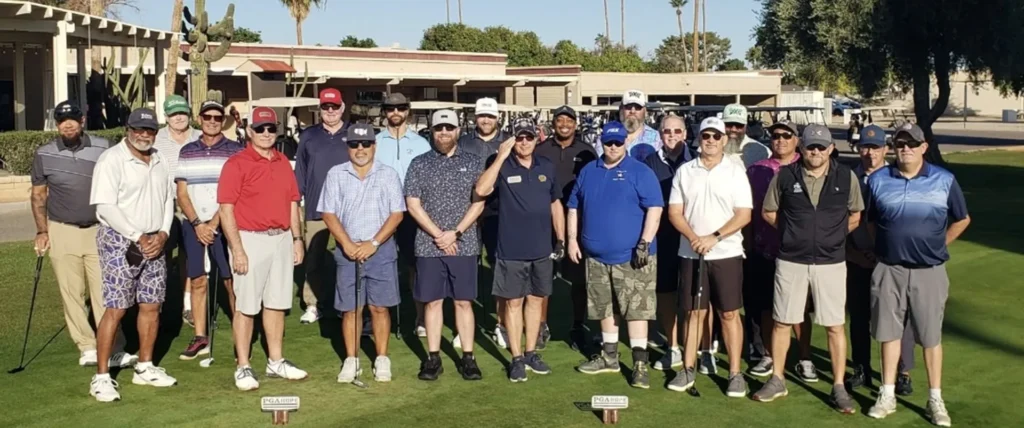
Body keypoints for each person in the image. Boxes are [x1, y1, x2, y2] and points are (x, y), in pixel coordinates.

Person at [751, 124, 864, 413]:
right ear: (802, 148)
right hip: (791, 260)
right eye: (811, 147)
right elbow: (768, 212)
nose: (815, 152)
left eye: (821, 147)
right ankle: (777, 379)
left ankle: (838, 386)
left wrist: (833, 237)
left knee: (835, 325)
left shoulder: (846, 176)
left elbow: (855, 215)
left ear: (831, 149)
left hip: (831, 262)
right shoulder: (785, 175)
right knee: (782, 321)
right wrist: (791, 234)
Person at [865, 123, 970, 427]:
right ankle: (887, 394)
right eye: (900, 143)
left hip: (929, 271)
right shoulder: (878, 180)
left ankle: (935, 399)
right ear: (894, 148)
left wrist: (939, 244)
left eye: (912, 143)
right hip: (889, 269)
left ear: (924, 147)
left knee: (930, 337)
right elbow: (870, 221)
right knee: (888, 333)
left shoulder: (944, 179)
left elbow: (962, 219)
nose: (906, 148)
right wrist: (884, 248)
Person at [30, 100, 136, 369]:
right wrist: (42, 230)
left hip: (100, 229)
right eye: (61, 121)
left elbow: (121, 184)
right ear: (56, 124)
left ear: (82, 121)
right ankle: (87, 346)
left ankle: (113, 346)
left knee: (105, 292)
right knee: (72, 293)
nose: (67, 125)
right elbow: (39, 195)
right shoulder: (44, 154)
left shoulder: (104, 147)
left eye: (72, 119)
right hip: (62, 229)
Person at [88, 108, 177, 402]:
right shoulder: (111, 159)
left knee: (152, 305)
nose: (143, 135)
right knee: (116, 308)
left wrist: (163, 233)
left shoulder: (161, 159)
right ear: (128, 129)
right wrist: (138, 236)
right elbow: (105, 207)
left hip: (155, 240)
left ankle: (145, 367)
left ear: (155, 132)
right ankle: (102, 377)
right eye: (138, 129)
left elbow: (167, 199)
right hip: (119, 240)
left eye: (149, 130)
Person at [219, 106, 309, 391]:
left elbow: (293, 203)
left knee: (277, 303)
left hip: (281, 238)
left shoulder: (282, 162)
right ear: (250, 131)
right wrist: (238, 249)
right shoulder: (236, 164)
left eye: (271, 128)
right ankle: (243, 365)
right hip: (250, 239)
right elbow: (226, 209)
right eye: (260, 129)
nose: (267, 133)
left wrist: (297, 239)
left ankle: (276, 360)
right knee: (246, 306)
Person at [569, 121, 663, 389]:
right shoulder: (589, 170)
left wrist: (644, 242)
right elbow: (573, 207)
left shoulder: (640, 171)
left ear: (625, 143)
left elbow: (655, 208)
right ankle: (609, 357)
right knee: (604, 307)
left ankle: (640, 365)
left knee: (636, 311)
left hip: (633, 256)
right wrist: (572, 240)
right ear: (602, 143)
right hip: (596, 256)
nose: (613, 147)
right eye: (608, 143)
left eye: (618, 142)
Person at [666, 117, 752, 398]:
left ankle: (735, 373)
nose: (711, 141)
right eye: (706, 136)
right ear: (699, 139)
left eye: (716, 136)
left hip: (727, 253)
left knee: (729, 313)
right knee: (694, 312)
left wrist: (713, 237)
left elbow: (744, 214)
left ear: (724, 140)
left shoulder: (735, 171)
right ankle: (687, 368)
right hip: (691, 253)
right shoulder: (685, 171)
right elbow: (675, 212)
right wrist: (694, 238)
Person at [475, 118, 563, 382]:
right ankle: (515, 358)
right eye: (519, 138)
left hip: (541, 249)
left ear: (536, 139)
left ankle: (530, 352)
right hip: (511, 249)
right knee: (513, 303)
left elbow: (555, 204)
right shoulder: (501, 164)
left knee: (535, 301)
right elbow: (481, 190)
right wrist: (501, 156)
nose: (524, 142)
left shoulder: (546, 166)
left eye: (529, 137)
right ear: (512, 140)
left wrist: (561, 238)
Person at [319, 123, 405, 383]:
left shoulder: (388, 174)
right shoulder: (336, 174)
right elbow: (328, 213)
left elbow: (397, 214)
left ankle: (382, 358)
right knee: (351, 309)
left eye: (365, 144)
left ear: (374, 146)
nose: (360, 149)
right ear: (348, 147)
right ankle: (352, 359)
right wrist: (346, 243)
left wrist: (374, 243)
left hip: (381, 249)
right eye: (354, 144)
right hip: (348, 250)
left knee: (379, 307)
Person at [404, 109, 486, 381]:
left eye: (449, 128)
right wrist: (439, 235)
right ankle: (433, 358)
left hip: (464, 243)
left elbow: (479, 202)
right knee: (432, 302)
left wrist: (456, 233)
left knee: (463, 302)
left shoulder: (474, 162)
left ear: (458, 130)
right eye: (439, 128)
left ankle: (468, 357)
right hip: (429, 244)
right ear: (432, 131)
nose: (444, 133)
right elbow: (413, 204)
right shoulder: (419, 163)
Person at [845, 126, 920, 394]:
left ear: (885, 150)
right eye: (865, 147)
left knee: (899, 318)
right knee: (859, 317)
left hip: (891, 261)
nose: (870, 153)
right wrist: (853, 253)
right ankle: (861, 368)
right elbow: (840, 220)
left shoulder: (897, 177)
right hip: (857, 257)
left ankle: (903, 372)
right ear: (858, 149)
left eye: (876, 148)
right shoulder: (847, 178)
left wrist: (882, 255)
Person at [744, 120, 815, 380]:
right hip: (763, 247)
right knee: (765, 306)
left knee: (799, 309)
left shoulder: (807, 167)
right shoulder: (756, 169)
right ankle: (768, 355)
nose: (781, 140)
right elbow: (749, 210)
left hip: (798, 252)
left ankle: (805, 357)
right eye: (776, 135)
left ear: (797, 140)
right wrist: (748, 244)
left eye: (787, 135)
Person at [174, 100, 243, 360]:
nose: (212, 121)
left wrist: (214, 223)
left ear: (223, 120)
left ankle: (241, 335)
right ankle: (200, 337)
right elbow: (182, 193)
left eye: (217, 117)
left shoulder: (235, 150)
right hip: (193, 224)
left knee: (230, 280)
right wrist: (197, 224)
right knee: (197, 279)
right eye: (207, 117)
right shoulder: (187, 150)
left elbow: (236, 192)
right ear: (200, 119)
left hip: (225, 223)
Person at [535, 105, 598, 352]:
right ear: (553, 123)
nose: (564, 124)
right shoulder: (541, 149)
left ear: (575, 124)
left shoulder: (587, 151)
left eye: (569, 120)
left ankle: (578, 325)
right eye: (560, 120)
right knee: (542, 277)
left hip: (576, 222)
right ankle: (541, 325)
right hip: (544, 222)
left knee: (578, 279)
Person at [375, 92, 433, 338]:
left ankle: (421, 318)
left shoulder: (421, 143)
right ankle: (379, 316)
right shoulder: (375, 142)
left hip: (413, 212)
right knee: (381, 264)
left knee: (415, 265)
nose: (395, 112)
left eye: (400, 108)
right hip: (382, 212)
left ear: (407, 110)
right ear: (385, 112)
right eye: (390, 108)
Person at [458, 97, 511, 349]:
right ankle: (465, 326)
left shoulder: (508, 142)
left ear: (497, 117)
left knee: (499, 268)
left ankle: (501, 324)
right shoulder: (463, 142)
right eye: (482, 116)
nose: (486, 120)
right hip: (466, 212)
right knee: (466, 268)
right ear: (475, 117)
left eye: (490, 116)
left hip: (497, 213)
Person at [641, 114, 693, 370]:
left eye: (677, 131)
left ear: (685, 133)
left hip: (693, 237)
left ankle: (697, 347)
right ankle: (673, 347)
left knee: (693, 296)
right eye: (667, 131)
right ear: (659, 134)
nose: (672, 135)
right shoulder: (649, 163)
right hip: (663, 238)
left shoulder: (696, 161)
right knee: (665, 293)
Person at [295, 88, 350, 325]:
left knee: (347, 256)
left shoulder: (353, 133)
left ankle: (346, 303)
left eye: (334, 106)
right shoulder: (309, 135)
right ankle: (312, 303)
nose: (330, 111)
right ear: (320, 109)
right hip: (316, 207)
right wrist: (296, 199)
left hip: (348, 209)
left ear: (342, 108)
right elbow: (301, 170)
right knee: (314, 258)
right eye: (326, 107)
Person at [153, 94, 202, 327]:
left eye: (182, 113)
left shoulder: (200, 137)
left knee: (189, 256)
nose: (179, 118)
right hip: (164, 204)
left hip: (194, 204)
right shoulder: (156, 139)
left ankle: (188, 305)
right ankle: (157, 304)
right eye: (174, 114)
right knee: (160, 255)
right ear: (166, 117)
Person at [595, 90, 662, 161]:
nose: (632, 111)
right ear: (621, 109)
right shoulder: (606, 136)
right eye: (628, 107)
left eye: (638, 107)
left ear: (645, 111)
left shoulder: (656, 138)